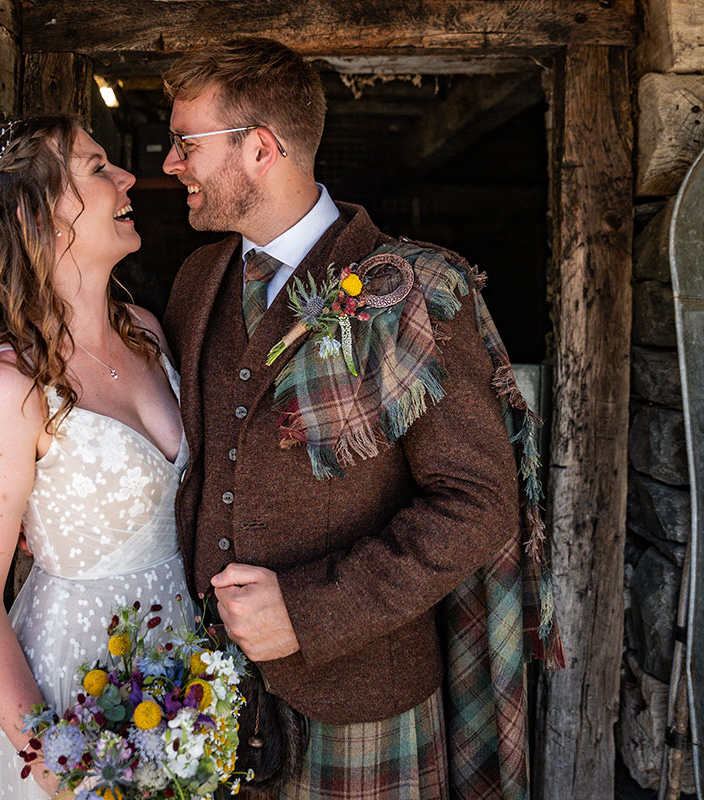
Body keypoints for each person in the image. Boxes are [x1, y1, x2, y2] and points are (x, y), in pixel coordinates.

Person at [160, 38, 561, 800]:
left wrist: (311, 611)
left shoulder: (410, 288)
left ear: (260, 148)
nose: (172, 162)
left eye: (187, 142)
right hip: (206, 695)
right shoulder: (195, 280)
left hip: (364, 705)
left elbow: (477, 505)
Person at [0, 116, 190, 799]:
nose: (127, 178)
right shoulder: (8, 387)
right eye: (98, 166)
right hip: (73, 683)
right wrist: (53, 754)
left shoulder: (146, 333)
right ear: (34, 213)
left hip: (177, 668)